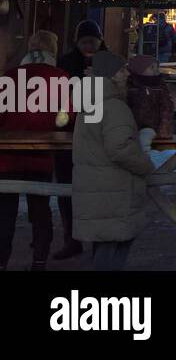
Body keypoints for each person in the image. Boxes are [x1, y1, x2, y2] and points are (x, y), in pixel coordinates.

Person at [72, 51, 154, 271]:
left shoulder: (90, 104)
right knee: (113, 251)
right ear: (110, 76)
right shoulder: (114, 106)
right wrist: (145, 164)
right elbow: (119, 148)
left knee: (104, 248)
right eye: (121, 70)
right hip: (113, 189)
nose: (127, 74)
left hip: (95, 187)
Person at [0, 32, 72, 271]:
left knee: (4, 214)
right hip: (41, 156)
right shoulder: (61, 78)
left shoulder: (9, 78)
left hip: (7, 158)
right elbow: (65, 118)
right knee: (40, 212)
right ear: (53, 49)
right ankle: (39, 261)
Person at [51, 19, 104, 261]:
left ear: (99, 40)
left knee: (97, 191)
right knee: (67, 189)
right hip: (69, 133)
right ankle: (71, 239)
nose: (89, 46)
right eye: (84, 41)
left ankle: (98, 244)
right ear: (77, 42)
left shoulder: (110, 62)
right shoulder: (65, 63)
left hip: (98, 134)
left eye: (92, 41)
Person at [125, 55, 175, 139]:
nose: (156, 70)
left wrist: (164, 129)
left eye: (157, 67)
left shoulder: (160, 86)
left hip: (156, 130)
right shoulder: (130, 86)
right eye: (152, 67)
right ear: (140, 69)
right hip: (133, 130)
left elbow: (167, 107)